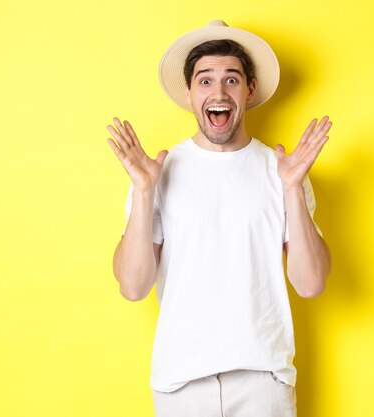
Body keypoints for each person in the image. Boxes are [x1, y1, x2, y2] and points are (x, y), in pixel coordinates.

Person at [106, 20, 332, 417]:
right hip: (181, 385)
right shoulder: (158, 172)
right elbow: (132, 286)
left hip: (264, 382)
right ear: (191, 94)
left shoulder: (281, 170)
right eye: (205, 80)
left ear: (250, 89)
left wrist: (293, 187)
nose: (219, 91)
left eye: (231, 79)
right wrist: (143, 191)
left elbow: (311, 282)